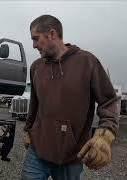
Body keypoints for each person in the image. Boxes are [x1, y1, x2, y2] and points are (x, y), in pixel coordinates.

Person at [21, 15, 119, 180]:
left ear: (52, 34)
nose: (34, 45)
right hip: (37, 152)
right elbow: (35, 104)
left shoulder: (87, 62)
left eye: (36, 39)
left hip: (71, 157)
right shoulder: (36, 67)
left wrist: (105, 135)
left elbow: (108, 100)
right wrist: (27, 129)